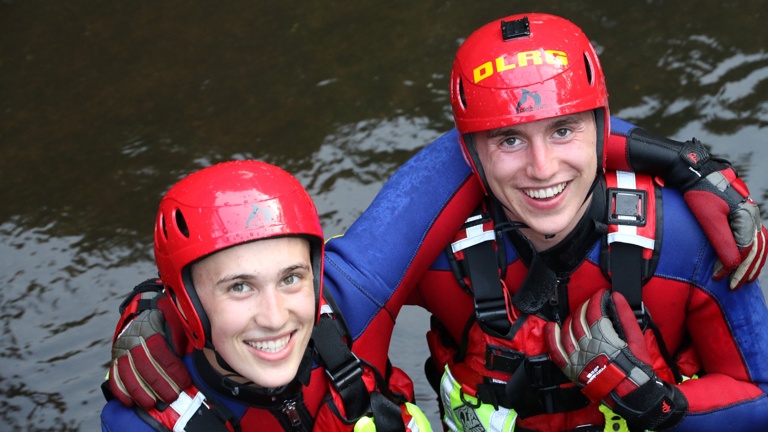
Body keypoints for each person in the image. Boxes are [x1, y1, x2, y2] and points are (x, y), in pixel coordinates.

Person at [104, 13, 768, 432]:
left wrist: (666, 409)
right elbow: (295, 289)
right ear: (472, 151)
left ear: (598, 126)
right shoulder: (436, 238)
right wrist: (163, 310)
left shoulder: (691, 231)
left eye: (565, 129)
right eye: (508, 141)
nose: (542, 169)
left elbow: (762, 397)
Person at [100, 160, 430, 431]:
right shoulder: (142, 426)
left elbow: (470, 142)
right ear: (187, 303)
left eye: (290, 277)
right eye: (239, 287)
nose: (275, 319)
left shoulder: (355, 300)